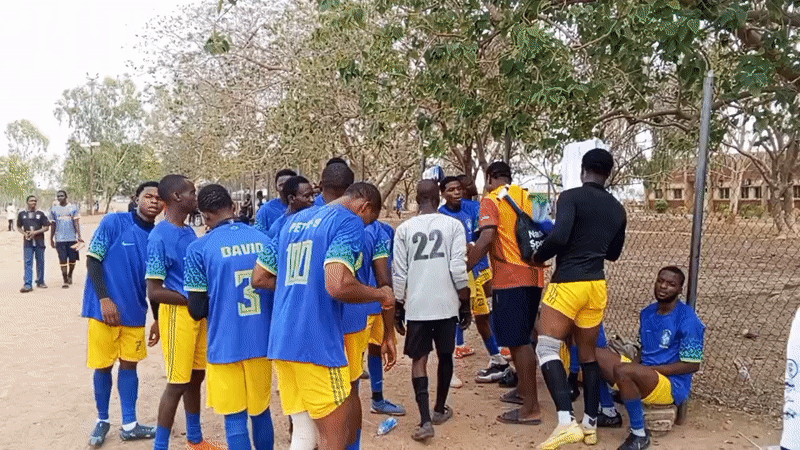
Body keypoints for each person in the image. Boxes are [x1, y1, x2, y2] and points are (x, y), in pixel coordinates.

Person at [252, 182, 395, 450]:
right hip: (316, 342)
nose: (364, 227)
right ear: (364, 207)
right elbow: (338, 284)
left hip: (282, 340)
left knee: (304, 434)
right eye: (368, 221)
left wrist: (304, 283)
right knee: (333, 438)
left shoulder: (291, 221)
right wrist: (381, 295)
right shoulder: (349, 222)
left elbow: (259, 278)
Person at [532, 148, 627, 449]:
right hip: (596, 285)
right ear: (608, 173)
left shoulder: (570, 197)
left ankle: (564, 421)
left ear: (583, 169)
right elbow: (613, 253)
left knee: (546, 347)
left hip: (569, 283)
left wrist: (537, 255)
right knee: (588, 355)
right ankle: (591, 424)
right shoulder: (618, 208)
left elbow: (559, 238)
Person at [185, 184, 274, 450]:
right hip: (262, 339)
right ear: (233, 206)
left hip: (225, 342)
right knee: (261, 412)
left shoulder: (199, 248)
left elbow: (197, 309)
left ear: (204, 215)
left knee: (235, 418)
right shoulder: (265, 239)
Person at [82, 181, 163, 447]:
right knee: (103, 365)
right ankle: (102, 420)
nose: (153, 201)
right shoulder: (114, 223)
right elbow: (93, 259)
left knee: (129, 364)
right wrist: (105, 299)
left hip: (134, 312)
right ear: (135, 198)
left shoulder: (158, 236)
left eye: (159, 198)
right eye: (148, 196)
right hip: (103, 311)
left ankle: (130, 424)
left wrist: (157, 319)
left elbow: (154, 283)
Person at [145, 176, 222, 450]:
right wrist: (190, 301)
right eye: (191, 192)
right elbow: (154, 290)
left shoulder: (189, 231)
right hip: (178, 315)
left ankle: (195, 438)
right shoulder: (158, 236)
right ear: (176, 196)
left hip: (196, 314)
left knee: (196, 376)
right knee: (177, 382)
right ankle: (160, 445)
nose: (196, 196)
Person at [466, 161, 545, 426]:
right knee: (521, 336)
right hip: (536, 275)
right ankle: (523, 391)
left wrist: (464, 266)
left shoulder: (491, 200)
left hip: (510, 277)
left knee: (519, 341)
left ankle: (531, 408)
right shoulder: (531, 196)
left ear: (489, 178)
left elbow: (487, 238)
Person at [393, 179, 470, 441]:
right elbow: (458, 267)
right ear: (438, 197)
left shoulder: (404, 229)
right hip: (446, 303)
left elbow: (399, 272)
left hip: (417, 305)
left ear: (416, 199)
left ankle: (425, 420)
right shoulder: (453, 226)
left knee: (419, 359)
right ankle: (439, 408)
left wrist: (398, 305)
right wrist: (465, 301)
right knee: (446, 355)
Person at [596, 267, 704, 450]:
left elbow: (692, 365)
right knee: (594, 353)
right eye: (660, 281)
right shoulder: (647, 313)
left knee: (624, 371)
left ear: (679, 290)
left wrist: (645, 371)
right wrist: (635, 370)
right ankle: (609, 412)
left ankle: (639, 434)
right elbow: (642, 349)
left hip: (670, 384)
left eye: (671, 284)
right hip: (646, 373)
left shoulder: (688, 319)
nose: (663, 287)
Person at [439, 176, 508, 384]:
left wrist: (473, 247)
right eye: (451, 190)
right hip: (453, 273)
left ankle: (498, 359)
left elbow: (482, 235)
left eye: (458, 188)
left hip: (475, 270)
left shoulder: (470, 208)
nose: (457, 192)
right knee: (451, 318)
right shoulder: (440, 216)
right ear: (442, 194)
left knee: (482, 315)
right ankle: (450, 368)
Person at [50, 190, 83, 288]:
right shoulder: (54, 209)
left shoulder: (73, 208)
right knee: (62, 259)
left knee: (72, 259)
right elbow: (53, 224)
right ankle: (64, 279)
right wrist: (51, 238)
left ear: (66, 196)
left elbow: (76, 223)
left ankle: (70, 275)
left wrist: (79, 236)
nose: (60, 197)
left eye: (62, 196)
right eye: (58, 196)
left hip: (72, 238)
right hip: (60, 239)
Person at [17, 195, 50, 293]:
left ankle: (40, 281)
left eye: (35, 201)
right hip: (28, 242)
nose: (33, 203)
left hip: (39, 242)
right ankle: (27, 284)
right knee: (28, 262)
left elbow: (46, 227)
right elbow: (19, 227)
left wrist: (35, 232)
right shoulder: (22, 214)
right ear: (27, 202)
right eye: (31, 201)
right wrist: (25, 233)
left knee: (40, 261)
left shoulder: (40, 214)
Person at [254, 169, 297, 234]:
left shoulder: (306, 207)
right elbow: (258, 234)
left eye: (288, 184)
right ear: (276, 187)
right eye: (281, 185)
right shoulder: (266, 209)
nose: (285, 188)